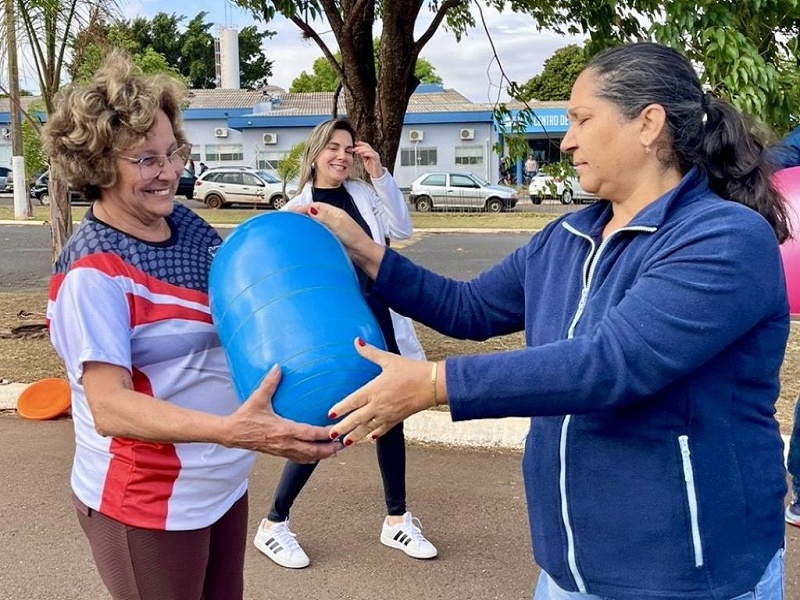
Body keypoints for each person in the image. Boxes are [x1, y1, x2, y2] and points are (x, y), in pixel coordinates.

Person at [297, 42, 791, 600]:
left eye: (582, 119)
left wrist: (434, 384)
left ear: (649, 124)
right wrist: (363, 248)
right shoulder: (569, 236)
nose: (567, 139)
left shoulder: (724, 238)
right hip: (568, 571)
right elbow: (470, 308)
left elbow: (613, 364)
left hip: (690, 575)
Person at [41, 51, 338, 600]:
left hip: (220, 484)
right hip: (147, 501)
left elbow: (241, 299)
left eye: (173, 151)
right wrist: (235, 430)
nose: (172, 171)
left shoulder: (186, 226)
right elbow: (110, 407)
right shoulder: (95, 273)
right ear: (100, 165)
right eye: (147, 159)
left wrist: (283, 237)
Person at [253, 117, 438, 569]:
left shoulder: (363, 194)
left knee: (391, 416)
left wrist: (379, 173)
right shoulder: (297, 210)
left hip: (381, 317)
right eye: (331, 147)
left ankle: (396, 520)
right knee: (325, 420)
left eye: (348, 148)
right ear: (315, 154)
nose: (340, 155)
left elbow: (403, 227)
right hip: (335, 330)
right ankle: (274, 523)